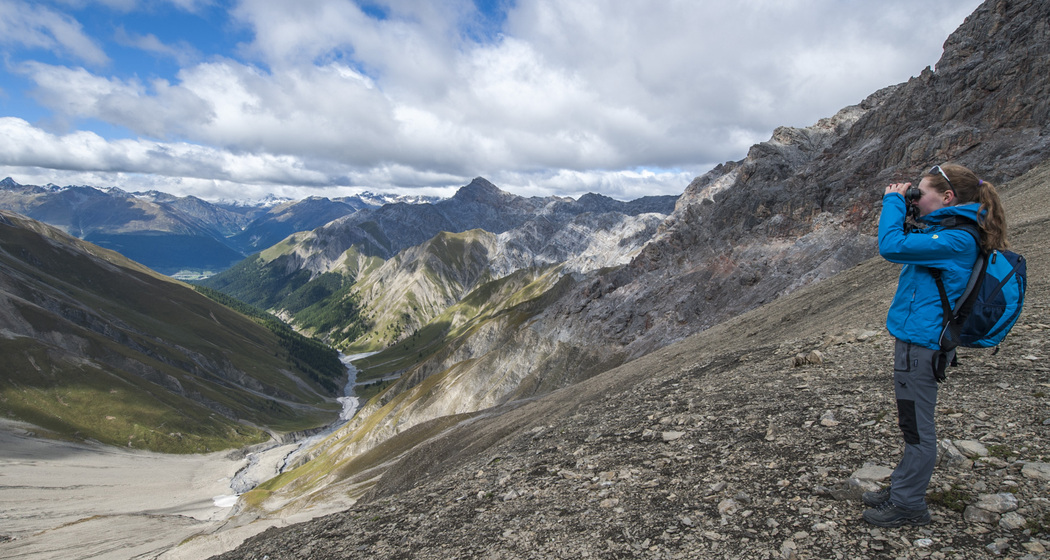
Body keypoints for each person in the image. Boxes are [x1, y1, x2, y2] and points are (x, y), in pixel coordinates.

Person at [863, 163, 1009, 527]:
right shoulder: (946, 232)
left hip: (924, 345)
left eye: (920, 192)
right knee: (910, 422)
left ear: (947, 197)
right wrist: (912, 210)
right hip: (917, 339)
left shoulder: (958, 239)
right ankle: (902, 488)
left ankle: (909, 505)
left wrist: (894, 202)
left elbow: (891, 246)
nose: (914, 197)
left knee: (917, 428)